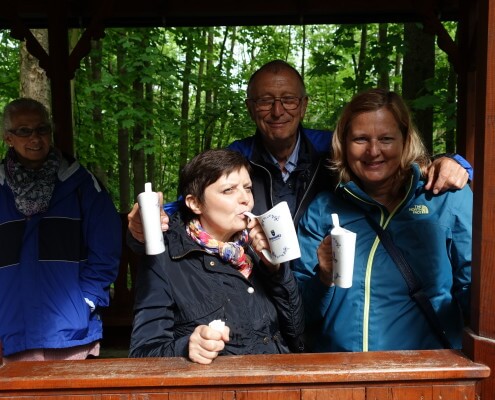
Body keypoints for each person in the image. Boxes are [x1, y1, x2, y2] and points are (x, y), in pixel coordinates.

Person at [127, 60, 471, 243]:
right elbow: (195, 204)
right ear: (251, 108)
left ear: (304, 105)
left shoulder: (331, 149)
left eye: (289, 100)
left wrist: (455, 163)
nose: (278, 111)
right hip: (259, 296)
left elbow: (397, 161)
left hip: (323, 293)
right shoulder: (237, 159)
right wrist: (149, 222)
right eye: (266, 101)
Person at [292, 88, 472, 352]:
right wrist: (324, 278)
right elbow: (298, 315)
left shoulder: (445, 200)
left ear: (405, 140)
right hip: (340, 369)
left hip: (426, 369)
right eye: (360, 139)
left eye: (386, 138)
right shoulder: (324, 209)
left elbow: (478, 297)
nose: (373, 151)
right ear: (343, 144)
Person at [128, 149, 305, 364]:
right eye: (229, 190)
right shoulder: (165, 260)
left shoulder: (257, 247)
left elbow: (297, 335)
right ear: (195, 203)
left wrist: (275, 270)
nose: (246, 199)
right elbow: (143, 353)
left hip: (276, 377)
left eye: (248, 188)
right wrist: (186, 347)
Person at [0, 98, 122, 361]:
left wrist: (86, 301)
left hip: (71, 330)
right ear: (8, 138)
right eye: (24, 131)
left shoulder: (82, 184)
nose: (35, 138)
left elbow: (106, 248)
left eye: (42, 129)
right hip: (11, 327)